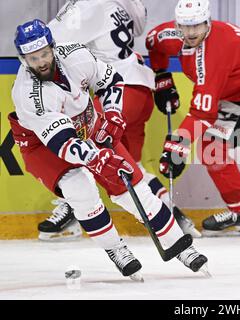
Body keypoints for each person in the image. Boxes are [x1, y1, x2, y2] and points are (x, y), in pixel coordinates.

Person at [9, 19, 208, 279]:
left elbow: (111, 81)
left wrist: (113, 115)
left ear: (53, 47)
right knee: (79, 188)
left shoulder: (76, 55)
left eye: (45, 53)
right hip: (41, 143)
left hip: (87, 121)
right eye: (34, 58)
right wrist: (97, 158)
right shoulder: (27, 94)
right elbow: (64, 143)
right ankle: (115, 248)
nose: (42, 62)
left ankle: (180, 246)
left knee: (133, 185)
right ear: (23, 59)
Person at [36, 0, 201, 241]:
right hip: (140, 90)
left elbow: (44, 42)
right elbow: (140, 25)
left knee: (80, 147)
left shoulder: (85, 6)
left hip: (116, 92)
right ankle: (174, 217)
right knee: (131, 165)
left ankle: (71, 214)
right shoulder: (121, 4)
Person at [145, 0, 240, 242]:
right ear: (177, 25)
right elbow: (153, 42)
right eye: (185, 27)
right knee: (212, 149)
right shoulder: (168, 35)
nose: (191, 33)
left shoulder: (216, 50)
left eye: (197, 26)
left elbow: (202, 114)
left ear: (208, 22)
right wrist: (162, 75)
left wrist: (177, 145)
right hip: (233, 93)